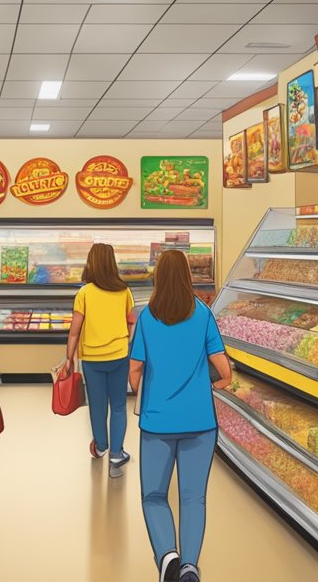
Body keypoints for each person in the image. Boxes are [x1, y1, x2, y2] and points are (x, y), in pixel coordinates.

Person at [129, 250, 232, 582]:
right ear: (189, 277)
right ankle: (190, 565)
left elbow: (135, 370)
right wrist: (219, 384)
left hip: (157, 422)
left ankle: (167, 557)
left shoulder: (147, 317)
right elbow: (223, 368)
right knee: (193, 497)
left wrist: (141, 389)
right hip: (200, 422)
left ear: (158, 277)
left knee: (154, 495)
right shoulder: (203, 314)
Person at [61, 243, 136, 475]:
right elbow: (131, 321)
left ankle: (101, 446)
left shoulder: (84, 293)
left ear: (91, 263)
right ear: (112, 263)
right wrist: (125, 342)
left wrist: (69, 358)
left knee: (97, 405)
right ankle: (116, 454)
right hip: (119, 356)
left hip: (92, 359)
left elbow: (74, 330)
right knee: (119, 405)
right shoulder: (124, 291)